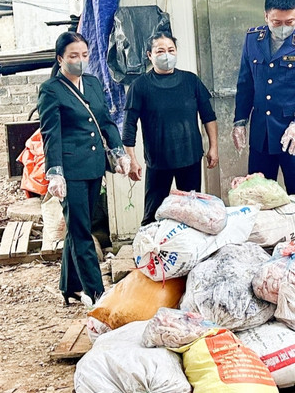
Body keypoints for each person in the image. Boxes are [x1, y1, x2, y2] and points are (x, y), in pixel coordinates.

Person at [38, 32, 131, 305]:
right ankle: (96, 292)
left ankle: (70, 285)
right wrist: (54, 172)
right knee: (81, 233)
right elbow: (51, 134)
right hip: (70, 170)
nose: (80, 61)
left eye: (84, 55)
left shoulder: (91, 83)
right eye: (73, 56)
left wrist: (119, 152)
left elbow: (106, 121)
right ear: (60, 59)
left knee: (80, 225)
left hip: (93, 167)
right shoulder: (51, 90)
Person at [232, 0, 295, 195]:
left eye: (290, 22)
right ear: (266, 16)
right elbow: (245, 84)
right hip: (261, 135)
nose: (283, 27)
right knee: (259, 197)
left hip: (294, 136)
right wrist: (240, 121)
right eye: (277, 22)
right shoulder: (252, 39)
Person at [122, 32, 219, 225]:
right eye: (160, 51)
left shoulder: (191, 81)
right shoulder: (140, 86)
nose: (166, 55)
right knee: (152, 216)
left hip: (190, 158)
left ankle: (190, 252)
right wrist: (131, 159)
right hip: (159, 161)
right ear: (150, 55)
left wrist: (213, 147)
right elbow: (129, 126)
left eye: (170, 50)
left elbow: (208, 116)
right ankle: (149, 250)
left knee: (192, 213)